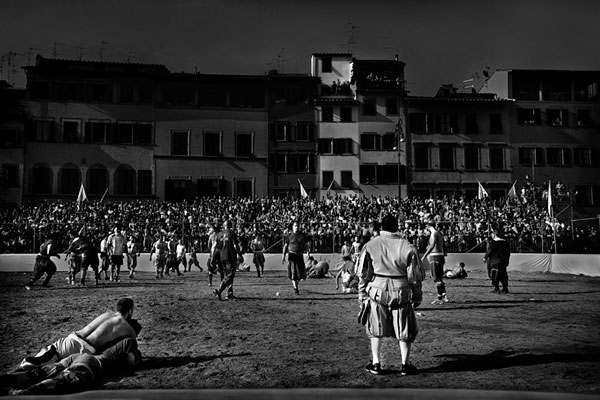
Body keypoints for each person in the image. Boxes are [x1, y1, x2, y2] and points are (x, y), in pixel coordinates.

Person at [357, 214, 424, 376]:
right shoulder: (408, 246)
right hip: (401, 291)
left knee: (375, 329)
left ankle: (376, 363)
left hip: (377, 290)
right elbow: (415, 277)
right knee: (404, 329)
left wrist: (361, 294)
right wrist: (417, 296)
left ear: (381, 228)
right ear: (397, 228)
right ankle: (405, 365)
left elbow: (363, 274)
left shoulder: (371, 245)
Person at [1, 337, 142, 396]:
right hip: (90, 361)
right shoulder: (129, 345)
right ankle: (24, 395)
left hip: (75, 358)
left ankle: (6, 380)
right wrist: (136, 361)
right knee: (68, 378)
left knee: (38, 373)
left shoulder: (111, 349)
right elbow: (130, 360)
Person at [20, 298, 139, 367]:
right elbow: (125, 350)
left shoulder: (107, 314)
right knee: (56, 368)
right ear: (130, 311)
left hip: (73, 338)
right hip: (87, 349)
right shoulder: (128, 329)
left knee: (49, 353)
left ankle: (38, 360)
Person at [212, 220, 243, 301]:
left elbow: (215, 247)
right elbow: (235, 245)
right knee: (230, 275)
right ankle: (219, 290)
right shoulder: (231, 233)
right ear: (230, 225)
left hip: (222, 257)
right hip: (230, 257)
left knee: (227, 275)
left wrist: (212, 258)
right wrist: (240, 254)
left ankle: (229, 294)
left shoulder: (219, 234)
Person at [422, 220, 449, 304]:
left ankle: (439, 298)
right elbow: (443, 245)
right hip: (440, 256)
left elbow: (432, 245)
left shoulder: (433, 233)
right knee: (440, 278)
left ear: (428, 226)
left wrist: (424, 256)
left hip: (435, 256)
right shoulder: (439, 233)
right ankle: (443, 295)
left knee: (436, 278)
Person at [282, 221, 311, 295]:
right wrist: (283, 256)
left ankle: (296, 286)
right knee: (293, 274)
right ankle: (296, 289)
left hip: (300, 256)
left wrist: (308, 252)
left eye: (297, 226)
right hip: (292, 256)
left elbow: (307, 245)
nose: (296, 227)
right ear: (293, 227)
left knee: (301, 275)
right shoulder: (289, 236)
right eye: (295, 226)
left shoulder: (303, 236)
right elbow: (285, 247)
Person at [484, 226, 511, 294]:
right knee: (503, 275)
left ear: (495, 234)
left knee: (494, 275)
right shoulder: (505, 242)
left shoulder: (493, 242)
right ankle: (505, 288)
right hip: (503, 261)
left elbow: (489, 251)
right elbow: (508, 253)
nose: (491, 235)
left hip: (495, 261)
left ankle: (496, 288)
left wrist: (485, 258)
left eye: (492, 233)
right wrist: (507, 261)